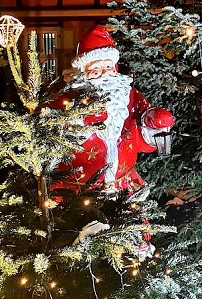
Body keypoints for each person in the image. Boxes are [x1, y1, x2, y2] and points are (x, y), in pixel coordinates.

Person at [50, 24, 174, 199]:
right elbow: (55, 139)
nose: (104, 73)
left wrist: (153, 121)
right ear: (82, 71)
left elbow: (142, 137)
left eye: (108, 67)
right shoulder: (67, 97)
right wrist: (82, 120)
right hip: (77, 192)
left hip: (123, 185)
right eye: (95, 68)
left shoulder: (128, 95)